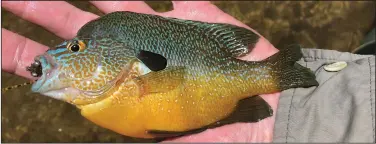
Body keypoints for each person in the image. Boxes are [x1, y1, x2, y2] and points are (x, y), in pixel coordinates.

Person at [1, 1, 374, 143]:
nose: (60, 57)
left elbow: (172, 79)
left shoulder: (126, 78)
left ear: (122, 59)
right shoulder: (95, 100)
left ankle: (282, 75)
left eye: (77, 48)